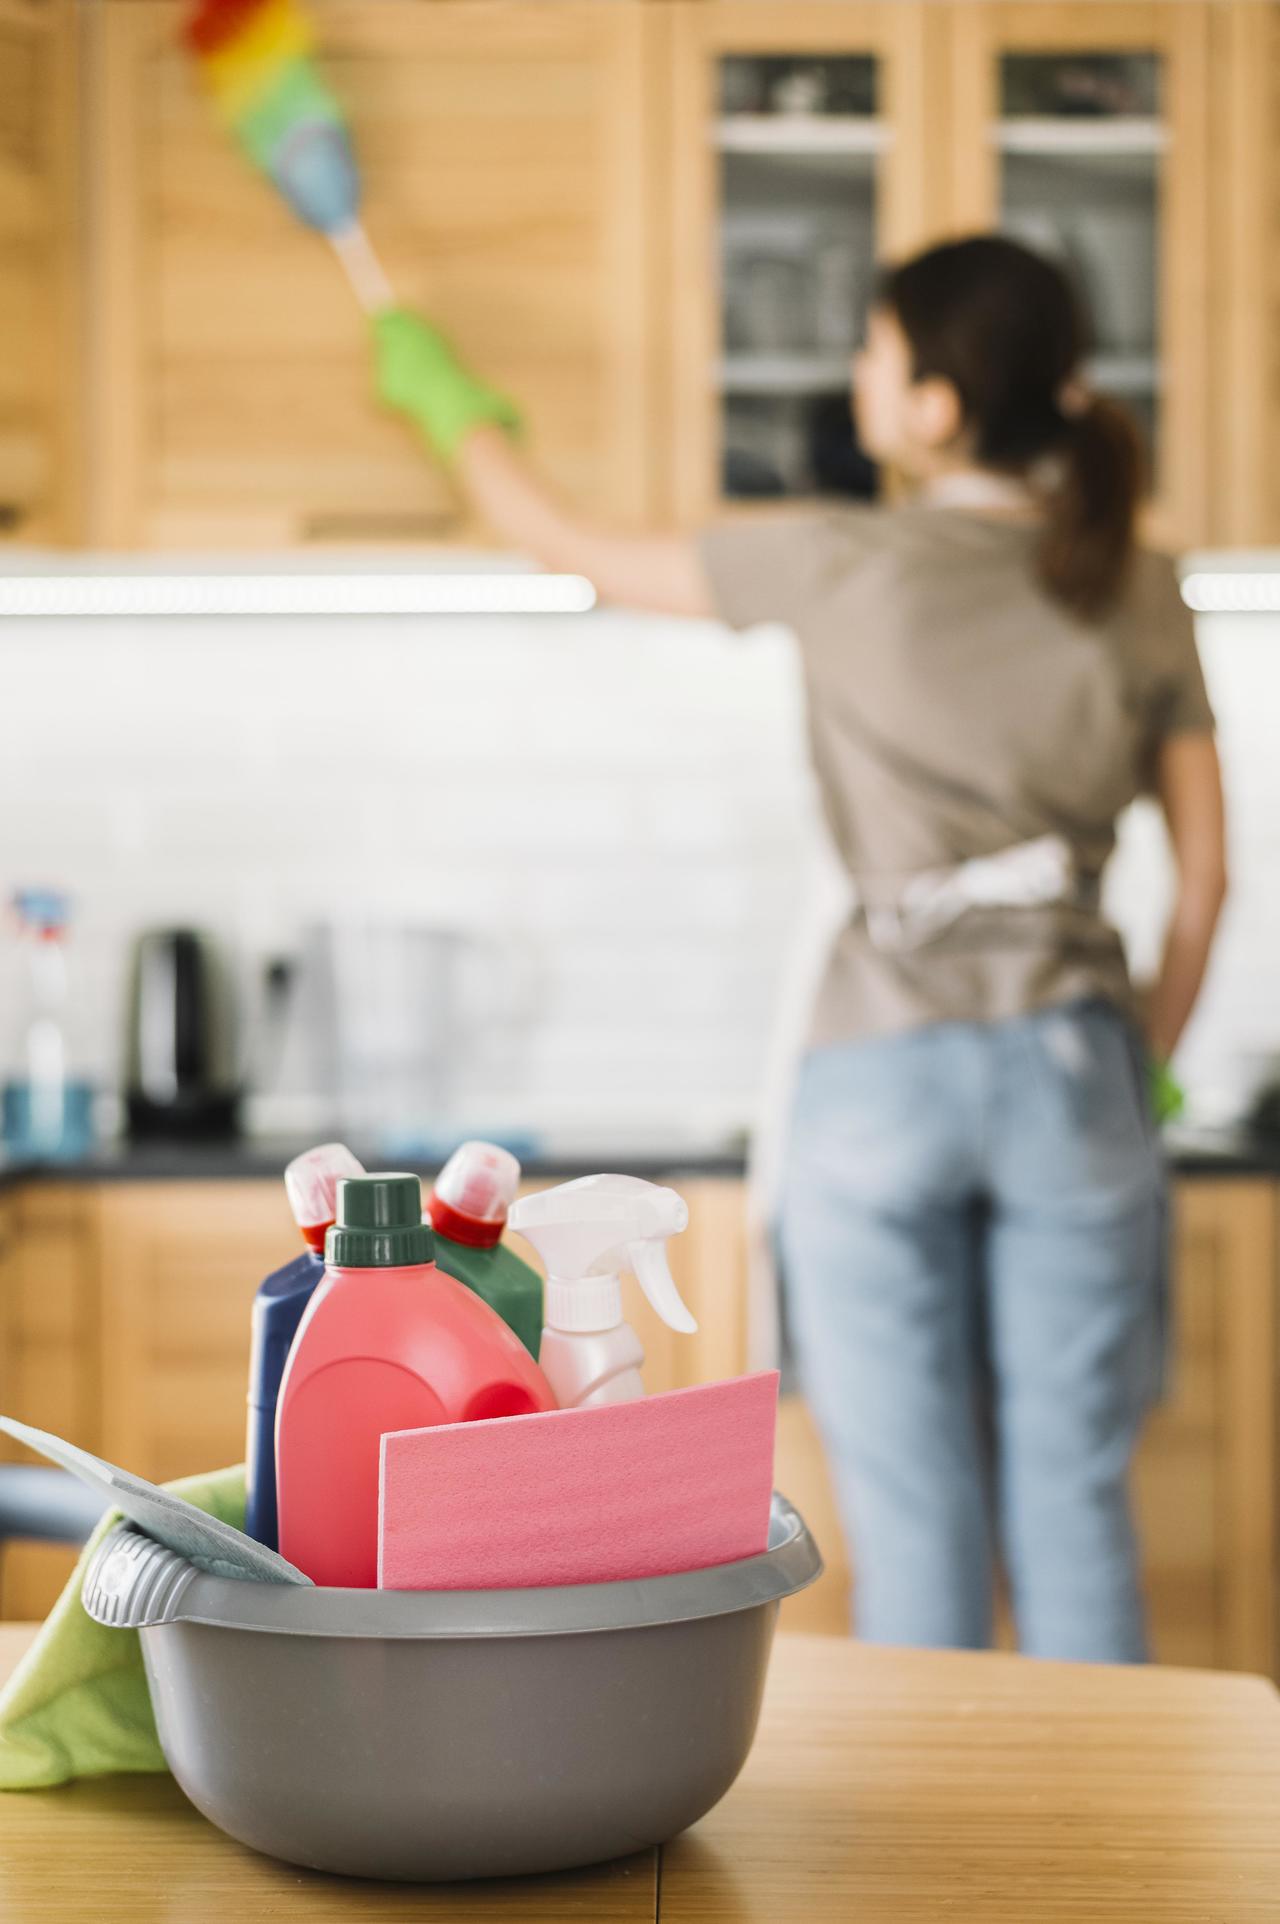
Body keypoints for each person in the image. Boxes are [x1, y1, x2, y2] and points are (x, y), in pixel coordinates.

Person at [374, 234, 1227, 1662]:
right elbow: (1207, 881)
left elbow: (566, 543)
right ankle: (1103, 1809)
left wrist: (452, 404)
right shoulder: (1141, 581)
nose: (855, 372)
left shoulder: (836, 558)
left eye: (876, 350)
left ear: (937, 405)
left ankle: (929, 1806)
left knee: (913, 1516)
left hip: (878, 1070)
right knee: (1075, 1500)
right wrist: (1145, 1062)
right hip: (1075, 1068)